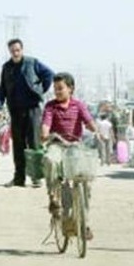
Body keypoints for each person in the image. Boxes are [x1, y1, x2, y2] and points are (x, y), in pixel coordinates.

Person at [0, 38, 54, 188]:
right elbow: (2, 89)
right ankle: (19, 178)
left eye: (17, 50)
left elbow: (49, 74)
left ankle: (36, 177)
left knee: (34, 143)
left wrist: (40, 90)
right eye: (12, 51)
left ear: (22, 50)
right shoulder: (7, 67)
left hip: (32, 109)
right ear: (9, 51)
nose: (15, 53)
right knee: (18, 145)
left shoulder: (32, 63)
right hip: (15, 110)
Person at [40, 73, 100, 212]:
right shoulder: (50, 106)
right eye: (55, 89)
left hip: (75, 145)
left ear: (70, 89)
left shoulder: (78, 105)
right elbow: (46, 124)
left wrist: (96, 131)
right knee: (50, 160)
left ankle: (85, 207)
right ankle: (53, 195)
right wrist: (44, 134)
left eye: (60, 88)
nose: (57, 91)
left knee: (85, 172)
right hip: (57, 144)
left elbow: (89, 122)